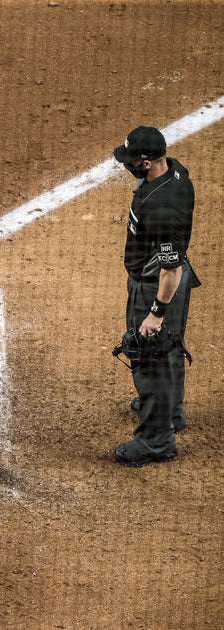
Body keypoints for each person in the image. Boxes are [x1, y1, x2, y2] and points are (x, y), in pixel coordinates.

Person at [112, 126, 201, 467]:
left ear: (147, 163)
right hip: (162, 277)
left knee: (151, 356)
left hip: (157, 284)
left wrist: (156, 312)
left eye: (131, 161)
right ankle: (171, 414)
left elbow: (171, 269)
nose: (127, 166)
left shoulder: (163, 208)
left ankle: (156, 441)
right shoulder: (175, 170)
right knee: (169, 348)